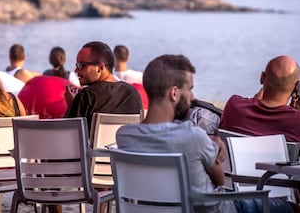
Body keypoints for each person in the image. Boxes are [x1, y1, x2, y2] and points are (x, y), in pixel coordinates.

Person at [116, 54, 295, 213]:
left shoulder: (124, 136)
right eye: (190, 89)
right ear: (174, 93)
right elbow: (218, 181)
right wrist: (210, 147)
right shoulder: (194, 137)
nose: (193, 97)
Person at [219, 55, 300, 142]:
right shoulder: (297, 122)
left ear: (262, 77)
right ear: (297, 87)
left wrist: (252, 102)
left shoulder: (234, 105)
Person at [64, 41, 143, 130]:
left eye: (81, 65)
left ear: (100, 67)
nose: (76, 70)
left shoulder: (87, 96)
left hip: (92, 144)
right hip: (123, 144)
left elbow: (67, 134)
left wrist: (71, 105)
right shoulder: (132, 93)